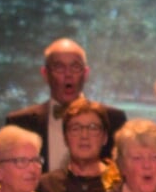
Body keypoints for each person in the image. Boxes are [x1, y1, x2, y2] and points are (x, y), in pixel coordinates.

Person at [8, 39, 127, 171]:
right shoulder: (20, 123)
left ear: (86, 73)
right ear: (45, 74)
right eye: (59, 68)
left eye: (75, 67)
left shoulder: (113, 119)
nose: (68, 75)